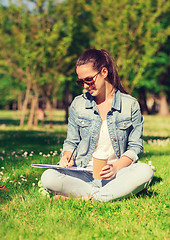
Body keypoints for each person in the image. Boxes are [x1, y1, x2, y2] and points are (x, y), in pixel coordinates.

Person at [41, 49, 153, 202]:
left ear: (104, 72)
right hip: (83, 174)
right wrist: (67, 156)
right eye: (81, 82)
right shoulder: (78, 104)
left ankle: (85, 198)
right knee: (48, 177)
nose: (85, 86)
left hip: (116, 174)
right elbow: (71, 142)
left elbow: (135, 148)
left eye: (89, 79)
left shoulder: (130, 105)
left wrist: (115, 168)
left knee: (144, 171)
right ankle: (108, 195)